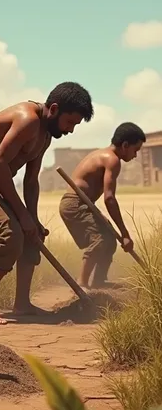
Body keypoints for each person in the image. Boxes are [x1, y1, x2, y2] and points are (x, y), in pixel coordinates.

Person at [0, 82, 94, 325]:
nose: (70, 130)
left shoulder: (46, 135)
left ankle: (22, 305)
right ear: (55, 109)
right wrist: (22, 215)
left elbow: (31, 180)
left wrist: (33, 218)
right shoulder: (27, 119)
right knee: (10, 233)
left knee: (32, 235)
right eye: (70, 122)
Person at [59, 122, 145, 289]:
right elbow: (109, 198)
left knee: (110, 240)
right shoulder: (112, 160)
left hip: (83, 203)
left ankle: (99, 280)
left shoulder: (104, 155)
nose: (135, 156)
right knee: (100, 239)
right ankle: (82, 284)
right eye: (135, 150)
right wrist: (125, 234)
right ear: (125, 145)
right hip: (75, 203)